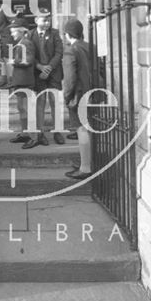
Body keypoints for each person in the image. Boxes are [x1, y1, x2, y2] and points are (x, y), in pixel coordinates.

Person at [23, 8, 65, 149]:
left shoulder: (55, 33)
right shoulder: (30, 35)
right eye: (44, 20)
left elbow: (59, 52)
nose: (47, 23)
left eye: (48, 20)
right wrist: (40, 67)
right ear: (36, 20)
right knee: (40, 102)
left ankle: (57, 131)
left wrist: (49, 68)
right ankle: (41, 133)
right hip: (38, 73)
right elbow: (28, 54)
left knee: (54, 102)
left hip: (53, 73)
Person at [62, 18, 92, 180]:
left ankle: (85, 168)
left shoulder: (70, 50)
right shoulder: (90, 46)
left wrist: (66, 96)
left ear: (67, 34)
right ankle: (87, 162)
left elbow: (69, 79)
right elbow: (100, 69)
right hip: (93, 92)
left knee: (82, 130)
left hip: (78, 95)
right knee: (89, 129)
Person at [7, 16, 35, 146]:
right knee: (21, 108)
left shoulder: (26, 43)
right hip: (20, 80)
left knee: (27, 109)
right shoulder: (21, 43)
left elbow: (28, 60)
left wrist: (13, 61)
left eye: (14, 31)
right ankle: (25, 133)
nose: (12, 33)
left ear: (22, 31)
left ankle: (33, 137)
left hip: (25, 81)